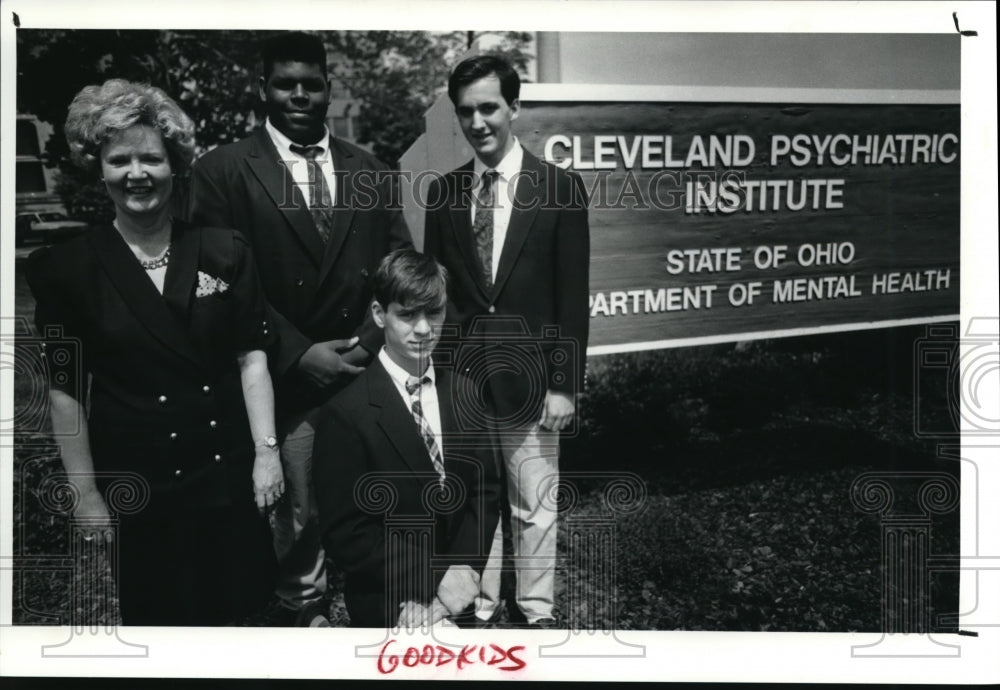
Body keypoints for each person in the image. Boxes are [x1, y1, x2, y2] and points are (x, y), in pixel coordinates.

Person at [26, 79, 280, 626]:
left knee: (238, 612)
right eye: (120, 160)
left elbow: (251, 358)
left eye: (151, 158)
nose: (136, 173)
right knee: (162, 620)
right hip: (138, 483)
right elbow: (65, 392)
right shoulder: (67, 270)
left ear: (175, 165)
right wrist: (85, 492)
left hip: (226, 473)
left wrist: (266, 453)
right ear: (99, 168)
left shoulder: (222, 248)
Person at [189, 31, 412, 625]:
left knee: (374, 503)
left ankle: (383, 610)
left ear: (328, 89)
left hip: (363, 373)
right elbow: (221, 286)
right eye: (286, 83)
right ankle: (304, 610)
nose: (299, 95)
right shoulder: (221, 172)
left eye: (312, 84)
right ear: (263, 88)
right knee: (298, 513)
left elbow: (398, 275)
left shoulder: (372, 170)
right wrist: (298, 353)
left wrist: (365, 347)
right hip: (283, 379)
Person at [422, 55, 590, 628]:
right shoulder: (443, 195)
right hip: (464, 383)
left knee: (534, 505)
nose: (478, 122)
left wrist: (565, 385)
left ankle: (537, 610)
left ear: (514, 107)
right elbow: (438, 297)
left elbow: (572, 298)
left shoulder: (559, 188)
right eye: (466, 111)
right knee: (476, 499)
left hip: (534, 381)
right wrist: (437, 380)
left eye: (489, 107)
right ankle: (483, 604)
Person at [313, 249, 500, 628]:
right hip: (388, 600)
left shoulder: (464, 392)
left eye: (434, 312)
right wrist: (432, 579)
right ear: (380, 314)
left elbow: (486, 492)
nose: (423, 328)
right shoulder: (346, 413)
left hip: (459, 594)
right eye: (407, 314)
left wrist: (461, 573)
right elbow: (348, 534)